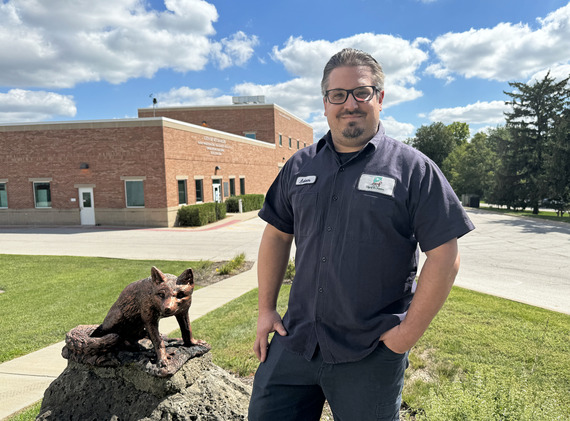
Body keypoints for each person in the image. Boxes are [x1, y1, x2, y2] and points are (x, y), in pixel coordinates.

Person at [248, 48, 475, 421]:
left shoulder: (413, 169)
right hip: (295, 342)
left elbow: (445, 257)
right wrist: (265, 309)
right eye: (338, 94)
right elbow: (276, 235)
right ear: (325, 103)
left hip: (369, 354)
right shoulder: (299, 166)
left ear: (380, 98)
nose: (349, 103)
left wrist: (405, 337)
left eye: (361, 92)